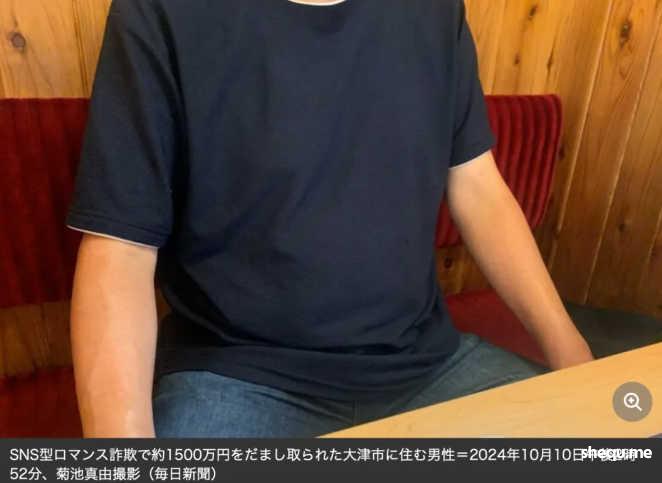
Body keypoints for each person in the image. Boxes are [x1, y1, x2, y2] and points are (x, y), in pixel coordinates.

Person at [66, 0, 594, 438]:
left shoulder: (436, 11)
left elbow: (477, 184)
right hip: (238, 378)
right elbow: (120, 247)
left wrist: (576, 360)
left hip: (427, 366)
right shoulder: (159, 11)